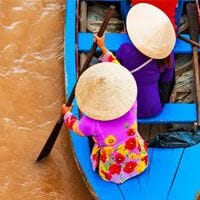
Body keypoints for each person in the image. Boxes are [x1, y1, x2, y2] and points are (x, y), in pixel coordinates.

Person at [61, 62, 148, 184]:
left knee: (92, 138)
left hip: (113, 171)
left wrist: (67, 114)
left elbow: (77, 129)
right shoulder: (131, 103)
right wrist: (103, 49)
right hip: (139, 160)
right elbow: (121, 71)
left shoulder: (90, 122)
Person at [95, 3, 176, 118]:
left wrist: (102, 47)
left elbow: (115, 70)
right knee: (167, 76)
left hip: (127, 108)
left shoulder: (126, 49)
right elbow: (166, 82)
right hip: (154, 108)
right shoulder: (169, 55)